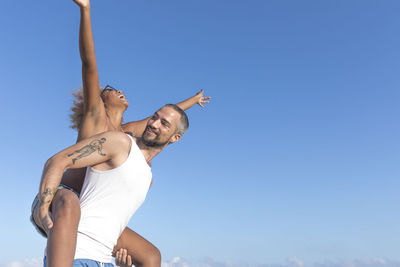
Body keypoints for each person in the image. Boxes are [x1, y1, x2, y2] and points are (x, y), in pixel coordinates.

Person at [31, 0, 211, 266]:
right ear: (102, 100)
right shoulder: (96, 120)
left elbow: (165, 123)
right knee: (70, 202)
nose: (119, 90)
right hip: (62, 200)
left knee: (151, 256)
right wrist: (85, 11)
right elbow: (89, 64)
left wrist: (191, 102)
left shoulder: (125, 136)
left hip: (93, 212)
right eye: (112, 89)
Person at [32, 104, 189, 267]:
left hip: (106, 261)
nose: (154, 123)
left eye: (164, 123)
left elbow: (110, 222)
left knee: (153, 256)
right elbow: (57, 161)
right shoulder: (120, 143)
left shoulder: (148, 179)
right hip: (76, 255)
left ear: (175, 137)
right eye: (154, 117)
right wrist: (43, 207)